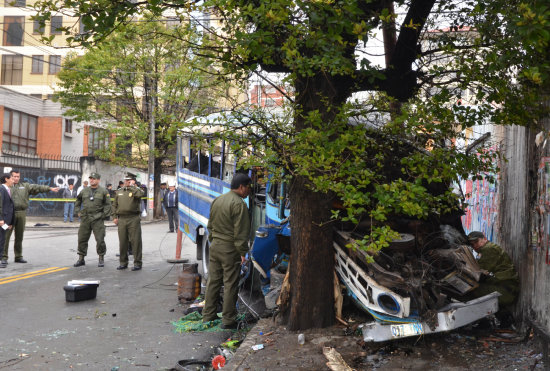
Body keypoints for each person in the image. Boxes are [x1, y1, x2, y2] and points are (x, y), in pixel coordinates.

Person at [202, 173, 252, 329]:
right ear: (242, 187)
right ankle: (228, 319)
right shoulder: (239, 204)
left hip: (215, 245)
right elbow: (241, 233)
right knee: (230, 283)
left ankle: (208, 315)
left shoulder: (218, 200)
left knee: (213, 281)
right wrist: (243, 252)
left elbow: (210, 226)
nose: (249, 191)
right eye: (249, 187)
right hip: (229, 249)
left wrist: (214, 241)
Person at [2, 169, 59, 264]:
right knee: (6, 236)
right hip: (9, 214)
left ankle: (18, 256)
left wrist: (49, 188)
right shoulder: (6, 187)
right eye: (14, 176)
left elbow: (37, 187)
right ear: (10, 177)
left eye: (18, 176)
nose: (16, 178)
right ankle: (4, 257)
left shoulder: (25, 186)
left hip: (21, 213)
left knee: (19, 236)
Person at [467, 231, 520, 321]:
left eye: (476, 242)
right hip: (505, 288)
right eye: (472, 244)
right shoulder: (486, 249)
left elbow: (479, 273)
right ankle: (499, 316)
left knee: (471, 291)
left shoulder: (488, 249)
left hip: (506, 291)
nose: (474, 246)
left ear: (484, 239)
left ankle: (483, 321)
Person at [74, 173, 111, 268]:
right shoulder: (84, 191)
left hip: (97, 218)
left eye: (94, 179)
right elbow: (78, 200)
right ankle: (81, 258)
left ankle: (101, 258)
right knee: (82, 238)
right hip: (85, 218)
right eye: (90, 179)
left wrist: (103, 215)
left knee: (100, 239)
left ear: (98, 180)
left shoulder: (103, 191)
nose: (91, 180)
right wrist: (78, 212)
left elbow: (108, 204)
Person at [112, 174, 144, 271]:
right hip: (122, 219)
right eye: (126, 180)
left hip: (133, 218)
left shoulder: (137, 190)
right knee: (123, 242)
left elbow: (139, 195)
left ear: (133, 181)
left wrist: (132, 187)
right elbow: (114, 205)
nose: (127, 182)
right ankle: (123, 262)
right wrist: (114, 216)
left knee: (135, 241)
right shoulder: (120, 191)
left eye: (129, 180)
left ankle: (137, 263)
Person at [0, 173, 15, 268]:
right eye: (12, 179)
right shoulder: (1, 189)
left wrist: (10, 222)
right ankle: (1, 260)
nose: (13, 181)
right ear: (6, 179)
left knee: (2, 239)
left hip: (6, 220)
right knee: (1, 240)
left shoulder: (8, 189)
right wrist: (1, 219)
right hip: (2, 219)